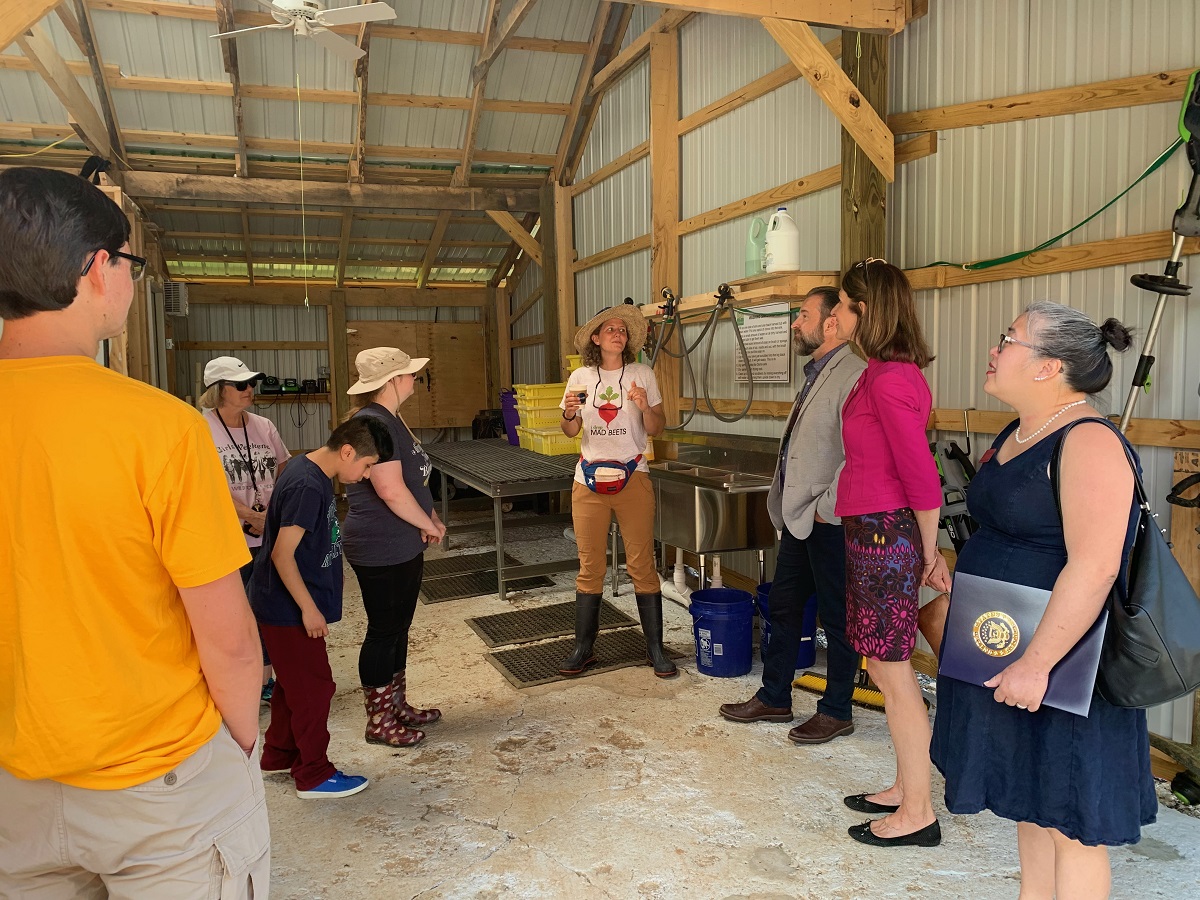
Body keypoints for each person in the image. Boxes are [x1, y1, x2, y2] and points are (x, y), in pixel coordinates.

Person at [0, 167, 269, 895]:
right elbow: (230, 641)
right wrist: (241, 750)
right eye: (128, 262)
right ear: (98, 267)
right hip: (160, 783)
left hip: (15, 787)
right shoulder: (158, 428)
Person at [931, 301, 1155, 896]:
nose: (994, 349)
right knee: (1028, 801)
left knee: (1074, 822)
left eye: (1008, 339)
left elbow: (1096, 564)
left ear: (1048, 367)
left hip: (1065, 664)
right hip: (1008, 646)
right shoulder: (1022, 430)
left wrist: (1037, 664)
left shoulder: (1089, 440)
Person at [830, 259, 951, 848]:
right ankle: (908, 785)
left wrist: (929, 553)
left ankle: (919, 812)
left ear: (868, 311)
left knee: (892, 670)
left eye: (845, 306)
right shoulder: (874, 372)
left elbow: (922, 477)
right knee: (882, 663)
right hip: (871, 532)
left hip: (886, 535)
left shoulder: (890, 379)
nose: (836, 315)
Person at [719, 286, 867, 741]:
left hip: (828, 519)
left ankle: (838, 709)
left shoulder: (856, 374)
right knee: (783, 606)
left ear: (831, 323)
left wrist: (826, 508)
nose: (793, 324)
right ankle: (774, 696)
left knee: (839, 618)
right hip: (800, 516)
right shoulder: (818, 371)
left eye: (802, 315)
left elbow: (859, 456)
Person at [249, 416, 392, 799]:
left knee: (292, 686)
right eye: (366, 465)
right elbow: (281, 554)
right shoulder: (307, 485)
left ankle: (278, 754)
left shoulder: (305, 467)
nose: (365, 475)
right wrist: (309, 609)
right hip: (287, 607)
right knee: (315, 689)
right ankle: (313, 774)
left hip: (284, 603)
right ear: (347, 451)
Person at [558, 302, 675, 678]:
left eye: (622, 330)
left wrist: (644, 405)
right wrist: (569, 414)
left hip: (633, 475)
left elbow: (657, 427)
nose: (618, 333)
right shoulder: (579, 378)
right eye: (610, 329)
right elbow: (570, 432)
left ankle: (655, 649)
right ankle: (583, 648)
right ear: (596, 339)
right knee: (590, 566)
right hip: (588, 481)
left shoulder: (642, 373)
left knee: (641, 563)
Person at [342, 347, 446, 748]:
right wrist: (428, 525)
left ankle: (396, 704)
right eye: (409, 374)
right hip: (381, 543)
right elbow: (389, 489)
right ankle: (379, 719)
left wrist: (430, 517)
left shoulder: (390, 419)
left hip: (400, 540)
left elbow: (414, 480)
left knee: (398, 627)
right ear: (391, 381)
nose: (414, 380)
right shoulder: (374, 425)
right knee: (384, 630)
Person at [200, 355, 291, 702]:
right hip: (229, 536)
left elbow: (282, 466)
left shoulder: (263, 425)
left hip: (267, 531)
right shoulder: (201, 428)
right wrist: (247, 515)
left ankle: (267, 679)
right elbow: (203, 485)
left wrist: (272, 510)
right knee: (236, 613)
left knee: (268, 606)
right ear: (218, 390)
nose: (250, 389)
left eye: (252, 383)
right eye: (241, 385)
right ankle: (240, 681)